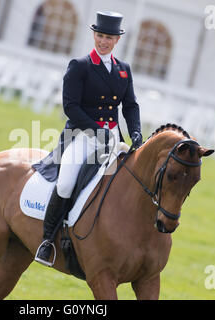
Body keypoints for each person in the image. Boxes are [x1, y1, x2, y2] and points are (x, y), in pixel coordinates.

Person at [33, 11, 143, 266]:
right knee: (66, 183)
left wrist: (136, 131)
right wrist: (97, 131)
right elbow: (70, 107)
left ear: (117, 40)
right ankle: (47, 240)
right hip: (82, 135)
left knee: (130, 183)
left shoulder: (124, 70)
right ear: (94, 35)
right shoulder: (80, 65)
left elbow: (130, 106)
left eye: (108, 37)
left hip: (114, 138)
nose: (103, 41)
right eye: (100, 35)